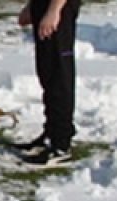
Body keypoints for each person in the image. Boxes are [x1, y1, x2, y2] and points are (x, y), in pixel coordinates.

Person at [13, 0, 81, 167]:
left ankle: (61, 144)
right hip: (45, 6)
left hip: (58, 8)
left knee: (59, 77)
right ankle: (51, 133)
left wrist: (54, 10)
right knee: (48, 74)